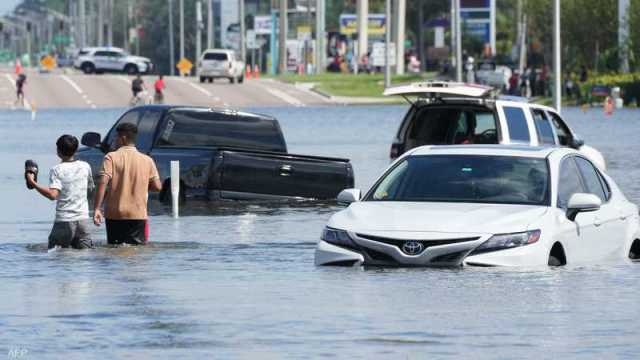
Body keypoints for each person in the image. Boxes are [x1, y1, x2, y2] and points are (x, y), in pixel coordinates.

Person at [93, 123, 162, 245]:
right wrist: (141, 185)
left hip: (115, 214)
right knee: (136, 253)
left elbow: (103, 181)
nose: (114, 141)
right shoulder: (147, 160)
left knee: (115, 249)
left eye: (116, 137)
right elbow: (158, 187)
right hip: (138, 213)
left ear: (123, 137)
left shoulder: (111, 157)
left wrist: (97, 208)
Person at [26, 135, 94, 249]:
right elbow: (90, 189)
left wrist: (32, 183)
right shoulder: (85, 166)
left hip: (64, 221)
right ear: (76, 149)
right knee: (84, 257)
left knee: (55, 256)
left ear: (58, 151)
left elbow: (53, 195)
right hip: (83, 220)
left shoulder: (57, 169)